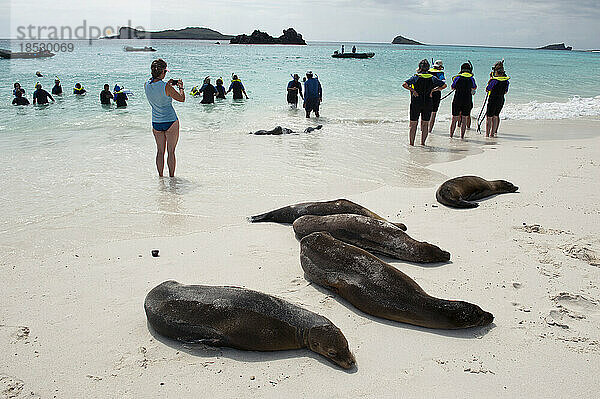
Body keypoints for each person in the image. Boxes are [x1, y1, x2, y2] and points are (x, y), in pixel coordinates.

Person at [144, 58, 185, 177]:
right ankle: (172, 178)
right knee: (171, 152)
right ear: (162, 72)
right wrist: (181, 87)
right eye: (165, 72)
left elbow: (158, 89)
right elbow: (181, 99)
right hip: (170, 120)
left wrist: (168, 84)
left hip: (156, 122)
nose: (166, 74)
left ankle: (160, 178)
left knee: (160, 151)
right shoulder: (166, 86)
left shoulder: (146, 85)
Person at [402, 59, 447, 146]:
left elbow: (404, 84)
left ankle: (412, 144)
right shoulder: (432, 78)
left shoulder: (415, 77)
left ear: (419, 68)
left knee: (413, 124)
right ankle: (423, 143)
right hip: (428, 102)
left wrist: (413, 90)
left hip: (416, 102)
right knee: (425, 124)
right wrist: (433, 90)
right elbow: (444, 85)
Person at [450, 62, 476, 139]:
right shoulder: (471, 78)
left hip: (457, 99)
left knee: (454, 119)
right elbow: (474, 87)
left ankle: (451, 136)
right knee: (464, 119)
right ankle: (462, 137)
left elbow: (452, 87)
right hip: (467, 100)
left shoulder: (457, 78)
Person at [485, 61, 510, 137]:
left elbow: (487, 89)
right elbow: (505, 91)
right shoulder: (506, 81)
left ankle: (487, 134)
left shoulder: (494, 81)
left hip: (493, 99)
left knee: (489, 117)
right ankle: (493, 133)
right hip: (501, 99)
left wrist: (490, 79)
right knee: (496, 116)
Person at [428, 60, 446, 133]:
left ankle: (424, 128)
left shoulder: (428, 71)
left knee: (426, 111)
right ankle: (430, 130)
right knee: (433, 112)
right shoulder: (440, 73)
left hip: (426, 93)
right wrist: (436, 89)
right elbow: (443, 83)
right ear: (440, 67)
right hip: (436, 94)